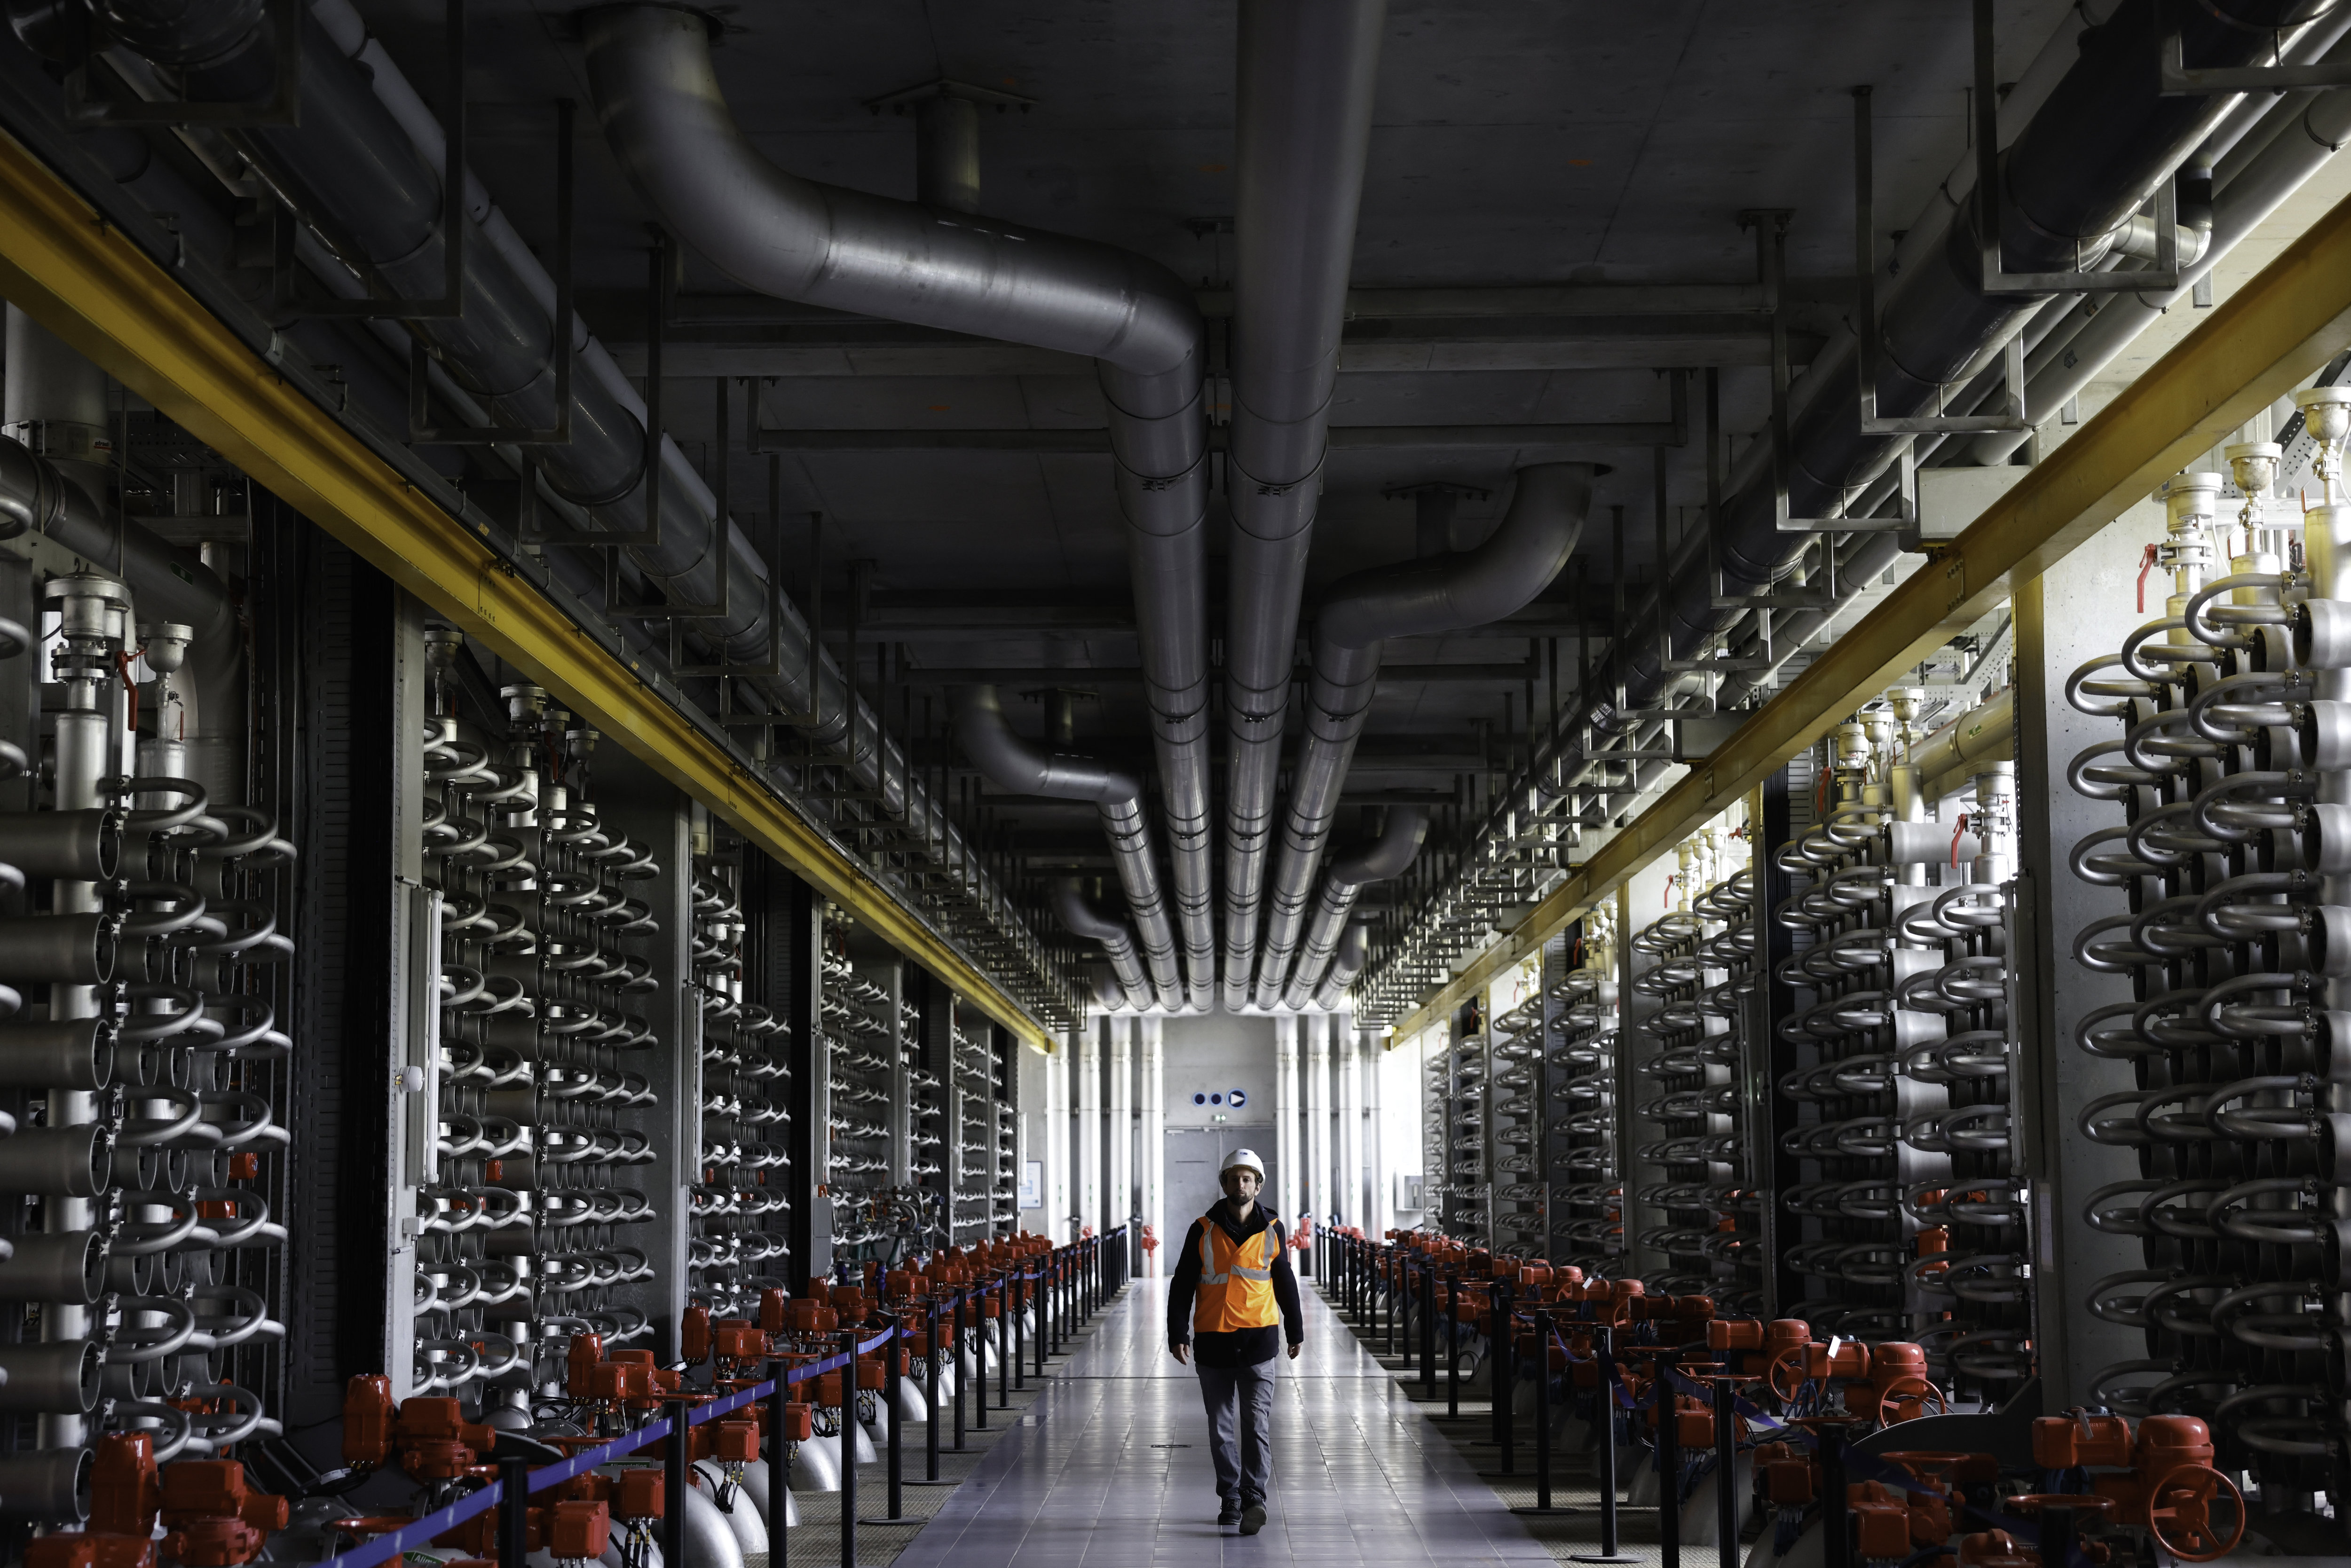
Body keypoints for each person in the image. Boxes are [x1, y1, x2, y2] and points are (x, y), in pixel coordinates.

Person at [1166, 1147, 1303, 1535]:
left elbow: (1285, 1282)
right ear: (1224, 1182)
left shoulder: (1273, 1229)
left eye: (1248, 1178)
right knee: (1220, 1426)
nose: (1240, 1184)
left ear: (1258, 1185)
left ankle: (1254, 1495)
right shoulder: (1203, 1228)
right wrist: (1178, 1333)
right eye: (1234, 1177)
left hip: (1259, 1341)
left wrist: (1296, 1331)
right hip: (1213, 1342)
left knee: (1256, 1422)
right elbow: (1182, 1284)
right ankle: (1230, 1496)